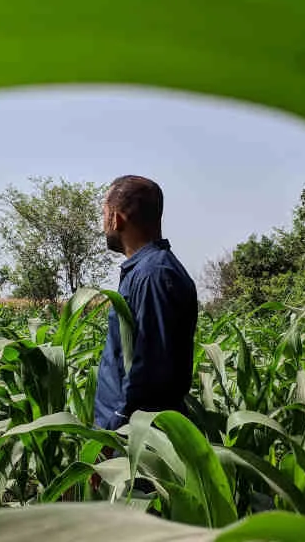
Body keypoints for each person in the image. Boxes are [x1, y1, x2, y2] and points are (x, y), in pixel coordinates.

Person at [93, 175, 199, 431]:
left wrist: (115, 430)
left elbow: (151, 372)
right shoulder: (147, 270)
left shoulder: (154, 275)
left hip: (135, 440)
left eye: (104, 215)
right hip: (128, 433)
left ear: (116, 218)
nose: (103, 224)